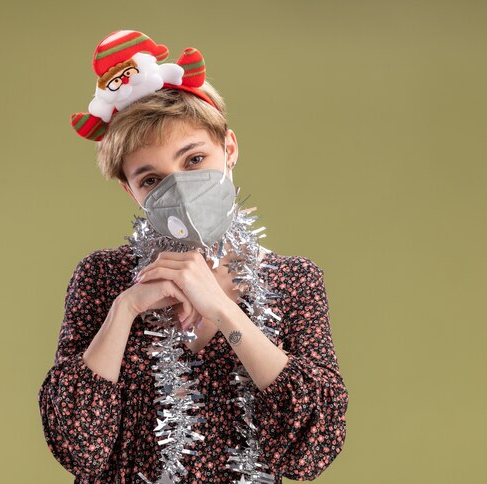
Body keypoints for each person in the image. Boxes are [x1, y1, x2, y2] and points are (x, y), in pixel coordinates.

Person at [38, 30, 348, 483]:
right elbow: (77, 445)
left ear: (229, 149)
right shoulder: (103, 278)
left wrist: (221, 309)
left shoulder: (293, 282)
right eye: (150, 179)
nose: (179, 187)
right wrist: (124, 309)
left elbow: (310, 448)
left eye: (194, 159)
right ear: (131, 191)